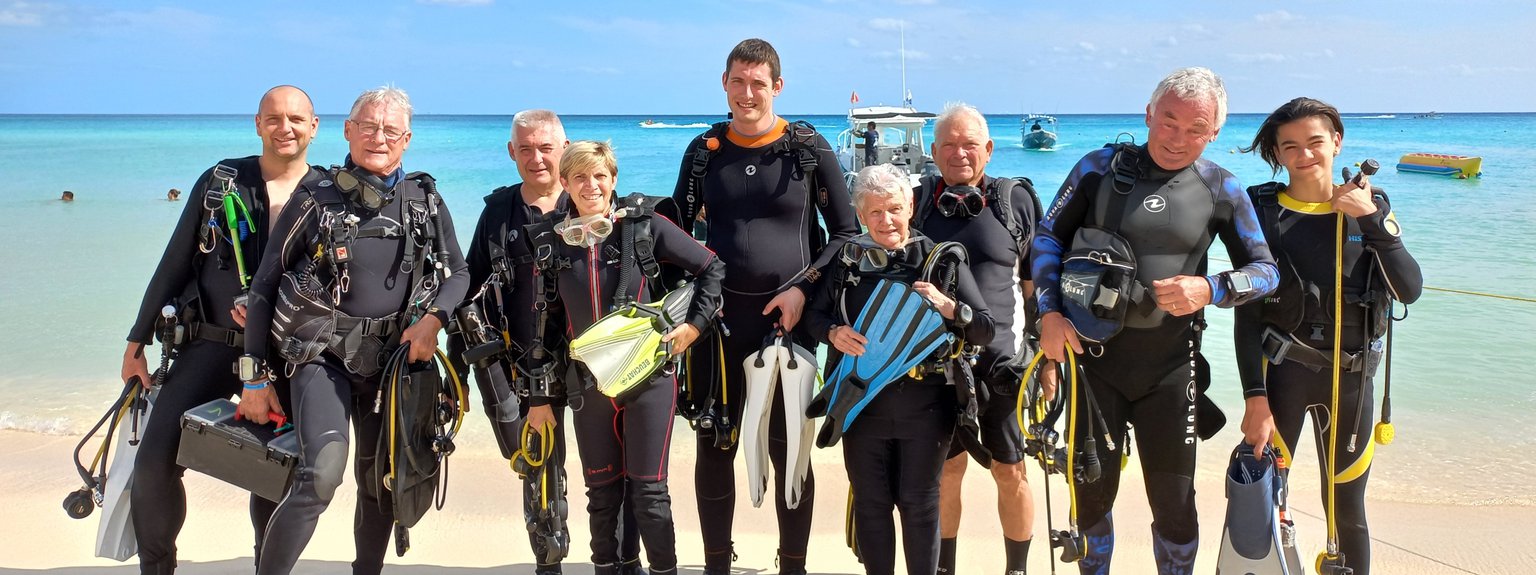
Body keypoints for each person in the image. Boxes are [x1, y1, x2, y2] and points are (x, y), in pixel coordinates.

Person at [1030, 67, 1279, 574]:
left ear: (1215, 133)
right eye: (1169, 121)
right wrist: (1049, 313)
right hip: (1092, 364)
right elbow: (1047, 237)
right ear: (1148, 114)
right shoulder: (1097, 169)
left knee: (1175, 508)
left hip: (1170, 370)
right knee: (1090, 497)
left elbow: (1266, 272)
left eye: (1196, 129)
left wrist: (1211, 288)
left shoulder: (1221, 187)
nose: (1177, 139)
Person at [240, 86, 470, 575]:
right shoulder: (314, 196)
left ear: (406, 139)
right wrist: (253, 377)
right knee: (320, 475)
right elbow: (264, 285)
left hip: (393, 364)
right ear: (348, 130)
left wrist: (433, 321)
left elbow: (459, 274)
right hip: (322, 357)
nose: (378, 137)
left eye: (390, 130)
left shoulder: (424, 198)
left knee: (382, 481)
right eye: (368, 126)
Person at [669, 38, 859, 575]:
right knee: (715, 443)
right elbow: (676, 236)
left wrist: (804, 289)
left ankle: (793, 564)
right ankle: (716, 564)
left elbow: (846, 234)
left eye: (758, 83)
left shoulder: (807, 148)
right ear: (724, 84)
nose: (747, 93)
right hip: (717, 324)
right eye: (738, 81)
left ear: (777, 86)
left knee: (789, 447)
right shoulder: (704, 152)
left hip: (789, 325)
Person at [120, 85, 322, 575]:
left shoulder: (327, 193)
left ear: (314, 127)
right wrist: (136, 341)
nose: (285, 128)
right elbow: (173, 263)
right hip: (210, 344)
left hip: (283, 356)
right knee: (154, 464)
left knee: (274, 473)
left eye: (296, 119)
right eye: (273, 118)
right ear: (257, 124)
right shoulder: (220, 181)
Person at [1235, 97, 1422, 575]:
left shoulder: (1369, 207)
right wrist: (1254, 397)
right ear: (1277, 153)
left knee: (1347, 510)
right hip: (1282, 375)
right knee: (1263, 497)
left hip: (1353, 380)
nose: (1305, 155)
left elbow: (1409, 289)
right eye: (1290, 146)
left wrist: (1371, 220)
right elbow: (1247, 316)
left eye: (1315, 142)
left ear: (1337, 142)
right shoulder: (1261, 211)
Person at [460, 110, 646, 575]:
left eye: (546, 148)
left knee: (614, 473)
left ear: (564, 149)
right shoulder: (498, 214)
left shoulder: (590, 199)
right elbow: (469, 290)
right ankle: (549, 566)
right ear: (511, 152)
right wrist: (460, 373)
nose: (537, 158)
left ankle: (624, 562)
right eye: (525, 149)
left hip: (597, 364)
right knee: (539, 474)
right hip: (525, 366)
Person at [530, 140, 725, 575]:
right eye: (580, 177)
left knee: (649, 494)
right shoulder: (550, 242)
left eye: (600, 175)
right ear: (564, 183)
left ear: (613, 179)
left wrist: (694, 327)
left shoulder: (643, 227)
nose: (591, 185)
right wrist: (538, 397)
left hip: (649, 379)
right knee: (601, 496)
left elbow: (712, 267)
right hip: (589, 385)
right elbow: (543, 327)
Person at [806, 163, 995, 575]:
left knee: (919, 503)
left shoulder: (941, 259)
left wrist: (950, 308)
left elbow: (984, 328)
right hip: (861, 402)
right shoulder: (848, 260)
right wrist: (833, 333)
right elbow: (814, 317)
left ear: (910, 206)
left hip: (927, 406)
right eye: (874, 212)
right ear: (860, 215)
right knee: (871, 503)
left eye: (893, 209)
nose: (886, 220)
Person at [915, 104, 1042, 575]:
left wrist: (1047, 361)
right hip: (936, 365)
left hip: (1003, 364)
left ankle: (1017, 570)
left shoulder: (1015, 201)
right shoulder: (918, 202)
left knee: (1011, 471)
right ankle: (944, 569)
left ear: (988, 149)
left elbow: (1036, 286)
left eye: (969, 144)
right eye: (948, 144)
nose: (959, 153)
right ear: (933, 152)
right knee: (947, 471)